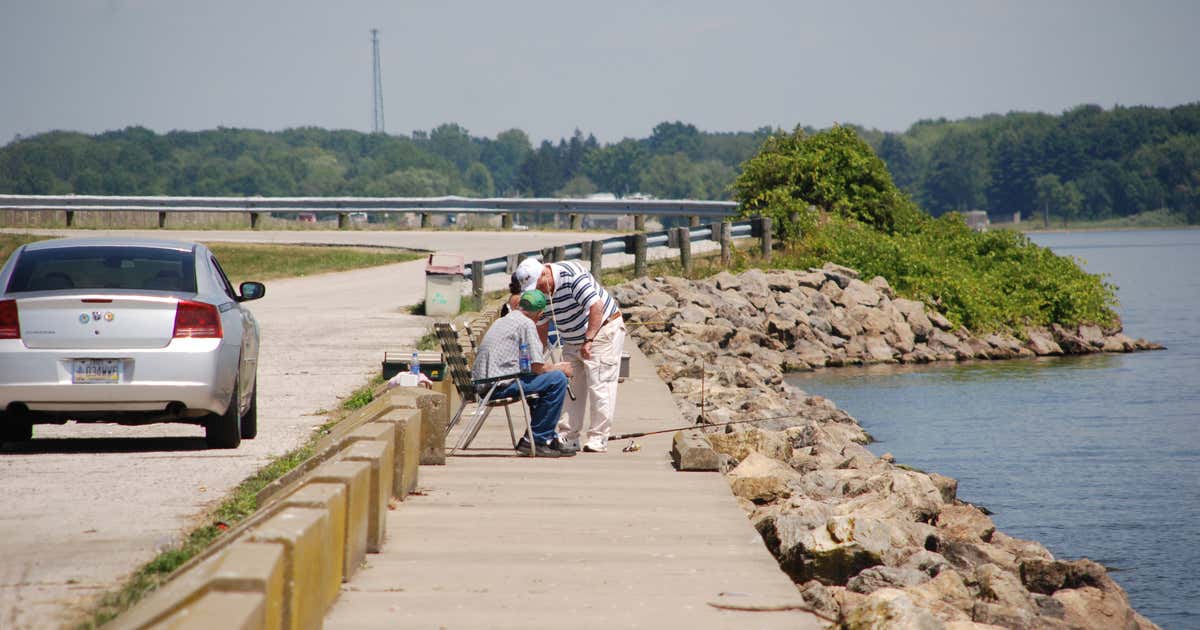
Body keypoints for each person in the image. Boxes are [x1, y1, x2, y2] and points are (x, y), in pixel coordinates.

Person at [514, 256, 625, 453]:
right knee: (570, 387)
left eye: (538, 285)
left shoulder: (571, 275)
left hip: (602, 330)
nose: (538, 292)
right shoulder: (541, 292)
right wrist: (538, 358)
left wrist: (589, 339)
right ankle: (569, 436)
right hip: (571, 339)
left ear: (546, 273)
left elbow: (596, 307)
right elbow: (541, 325)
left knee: (600, 384)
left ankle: (598, 438)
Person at [471, 289, 577, 457]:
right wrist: (560, 368)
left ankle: (546, 437)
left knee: (543, 383)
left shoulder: (505, 319)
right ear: (540, 313)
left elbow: (527, 365)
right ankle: (538, 439)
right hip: (497, 387)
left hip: (485, 384)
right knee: (557, 379)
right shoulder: (526, 324)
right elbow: (537, 367)